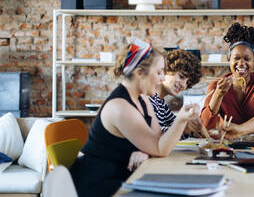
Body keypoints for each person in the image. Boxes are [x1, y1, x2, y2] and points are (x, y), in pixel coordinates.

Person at [70, 39, 200, 197]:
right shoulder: (120, 107)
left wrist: (147, 150)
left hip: (121, 177)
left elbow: (159, 139)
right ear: (139, 72)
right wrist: (181, 119)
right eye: (159, 72)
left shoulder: (143, 99)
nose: (161, 79)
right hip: (97, 183)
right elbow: (160, 149)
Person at [201, 22, 254, 129]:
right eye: (236, 58)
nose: (241, 63)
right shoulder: (216, 86)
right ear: (229, 60)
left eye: (247, 59)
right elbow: (205, 126)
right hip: (226, 142)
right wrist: (218, 94)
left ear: (253, 61)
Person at [149, 49, 203, 136]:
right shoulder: (149, 98)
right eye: (181, 77)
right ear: (166, 69)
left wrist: (194, 129)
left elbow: (174, 124)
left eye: (188, 83)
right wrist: (184, 128)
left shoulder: (161, 103)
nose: (183, 85)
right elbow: (151, 133)